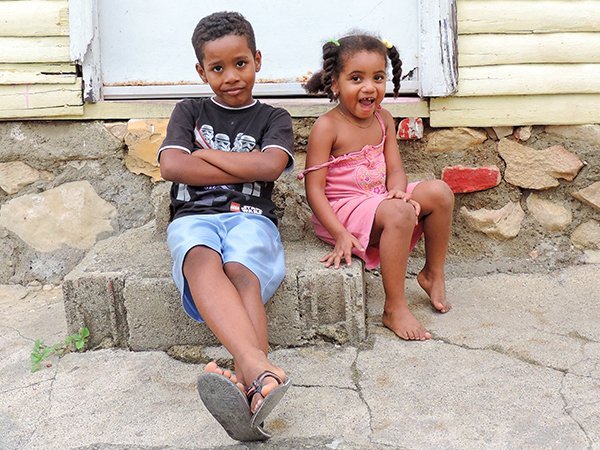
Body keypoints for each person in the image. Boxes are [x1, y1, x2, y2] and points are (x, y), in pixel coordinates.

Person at [157, 11, 292, 441]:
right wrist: (239, 166)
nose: (231, 76)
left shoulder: (274, 116)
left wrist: (206, 157)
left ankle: (251, 375)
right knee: (199, 260)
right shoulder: (190, 109)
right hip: (193, 217)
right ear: (202, 71)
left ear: (257, 59)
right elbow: (171, 166)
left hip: (251, 217)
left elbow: (270, 166)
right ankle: (259, 373)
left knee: (241, 273)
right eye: (217, 68)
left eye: (240, 63)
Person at [299, 34, 454, 341]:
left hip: (378, 199)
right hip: (341, 211)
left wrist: (398, 190)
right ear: (334, 83)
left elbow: (395, 169)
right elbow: (314, 191)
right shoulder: (327, 127)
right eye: (356, 78)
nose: (369, 87)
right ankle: (394, 307)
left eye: (378, 77)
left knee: (440, 192)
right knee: (399, 212)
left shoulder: (383, 119)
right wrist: (340, 233)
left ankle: (432, 272)